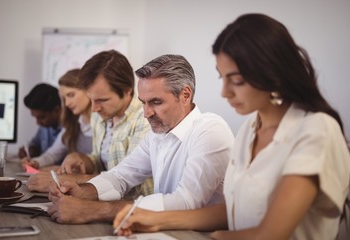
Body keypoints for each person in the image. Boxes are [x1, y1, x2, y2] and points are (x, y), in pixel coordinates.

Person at [113, 13, 350, 240]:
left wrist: (217, 236)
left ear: (273, 73)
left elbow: (270, 235)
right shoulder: (250, 129)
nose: (225, 92)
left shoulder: (316, 131)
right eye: (222, 78)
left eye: (236, 80)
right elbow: (235, 211)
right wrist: (157, 220)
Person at [47, 54, 234, 224]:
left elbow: (186, 202)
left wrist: (93, 210)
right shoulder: (158, 134)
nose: (146, 113)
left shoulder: (210, 130)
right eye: (143, 102)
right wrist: (84, 191)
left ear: (185, 95)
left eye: (156, 102)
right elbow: (121, 175)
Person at [29, 50, 152, 196]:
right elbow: (97, 161)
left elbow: (129, 183)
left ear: (127, 91)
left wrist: (63, 180)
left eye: (102, 100)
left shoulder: (145, 120)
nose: (94, 108)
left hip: (131, 209)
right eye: (91, 99)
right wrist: (81, 159)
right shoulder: (100, 115)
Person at [22, 69, 92, 172]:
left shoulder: (103, 123)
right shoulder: (73, 124)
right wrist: (36, 162)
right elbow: (53, 153)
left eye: (71, 95)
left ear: (88, 91)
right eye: (64, 99)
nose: (67, 104)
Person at [18, 83, 62, 159]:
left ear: (57, 110)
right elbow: (35, 145)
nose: (38, 123)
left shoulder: (70, 129)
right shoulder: (45, 127)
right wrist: (30, 150)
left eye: (42, 117)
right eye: (36, 117)